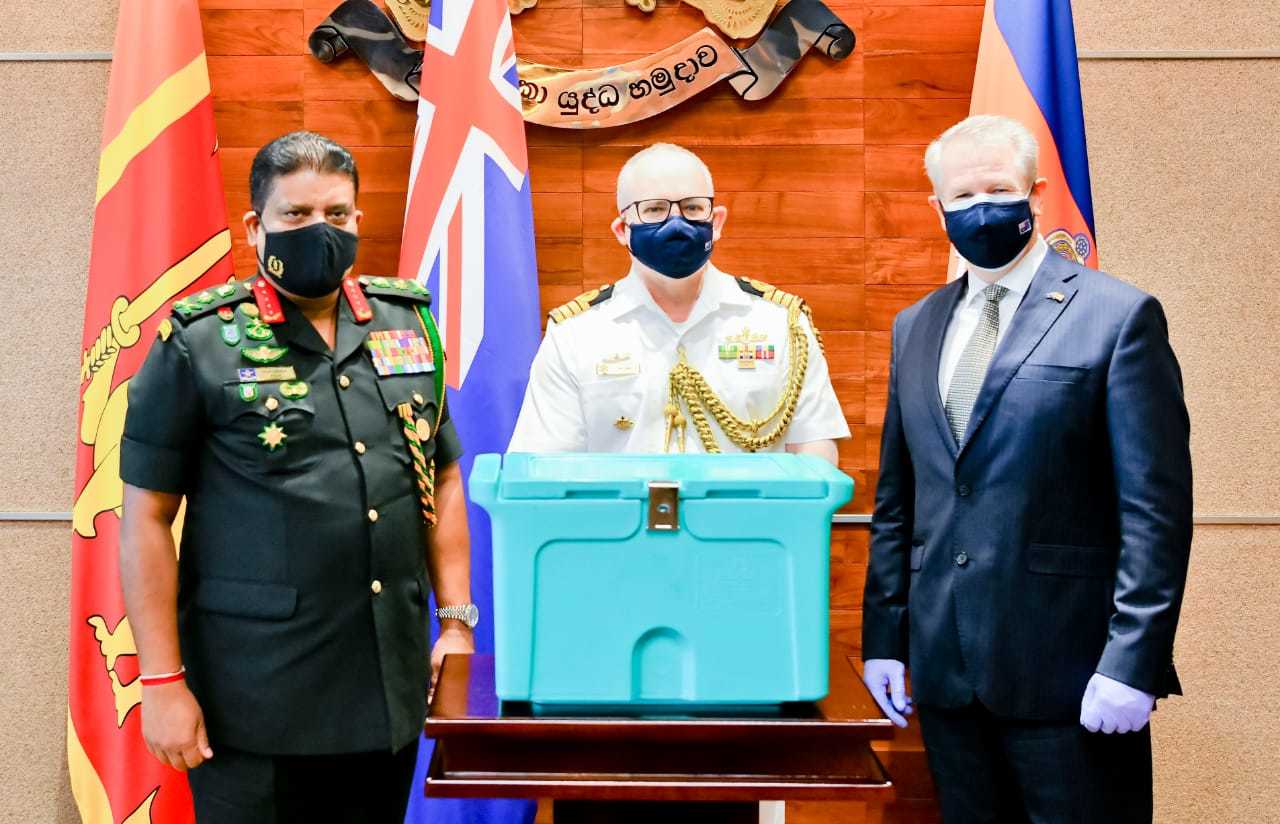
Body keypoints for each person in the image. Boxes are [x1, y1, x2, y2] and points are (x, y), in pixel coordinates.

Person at [118, 131, 479, 822]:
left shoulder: (406, 325)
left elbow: (440, 475)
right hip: (255, 700)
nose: (321, 229)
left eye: (337, 214)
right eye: (297, 214)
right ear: (255, 226)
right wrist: (161, 679)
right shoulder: (199, 342)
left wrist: (456, 622)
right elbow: (147, 518)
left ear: (358, 219)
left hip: (385, 687)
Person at [861, 115, 1192, 823]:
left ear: (1037, 194)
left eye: (998, 190)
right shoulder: (915, 325)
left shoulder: (1118, 317)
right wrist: (884, 641)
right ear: (937, 208)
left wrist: (1132, 661)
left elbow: (1155, 514)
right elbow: (899, 500)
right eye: (962, 196)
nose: (980, 208)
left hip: (1073, 678)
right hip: (946, 675)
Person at [508, 142, 849, 460]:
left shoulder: (780, 324)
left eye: (692, 207)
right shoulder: (576, 335)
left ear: (716, 222)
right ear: (622, 230)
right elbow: (545, 465)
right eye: (654, 209)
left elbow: (814, 453)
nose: (676, 222)